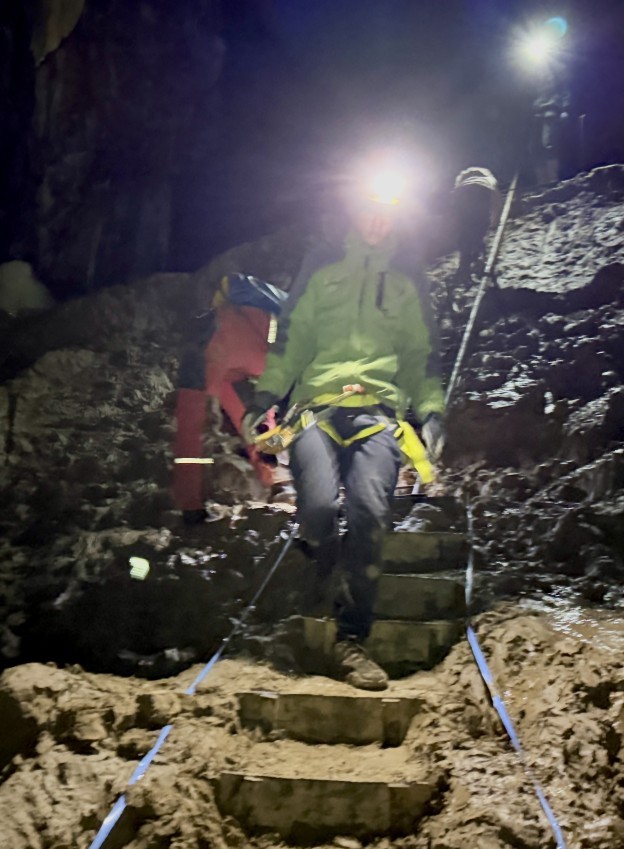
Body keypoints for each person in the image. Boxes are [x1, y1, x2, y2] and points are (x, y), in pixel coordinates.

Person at [241, 177, 447, 690]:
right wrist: (266, 397)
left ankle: (351, 638)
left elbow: (420, 356)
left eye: (385, 211)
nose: (376, 220)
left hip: (378, 413)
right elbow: (291, 341)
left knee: (369, 512)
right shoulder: (321, 264)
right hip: (317, 407)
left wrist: (430, 410)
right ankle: (322, 577)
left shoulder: (408, 278)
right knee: (317, 508)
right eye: (368, 208)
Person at [171, 274, 286, 524]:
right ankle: (191, 505)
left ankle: (268, 479)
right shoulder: (287, 340)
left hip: (225, 354)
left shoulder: (275, 325)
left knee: (210, 422)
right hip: (215, 352)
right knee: (199, 425)